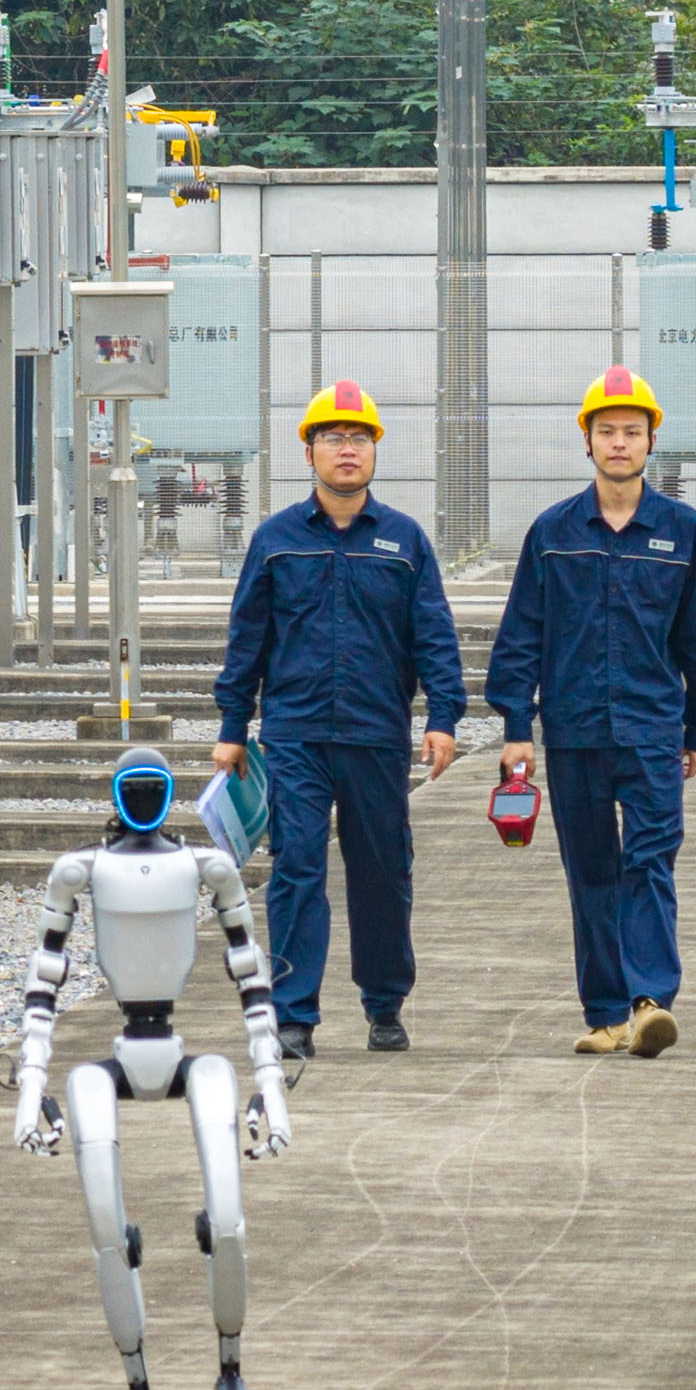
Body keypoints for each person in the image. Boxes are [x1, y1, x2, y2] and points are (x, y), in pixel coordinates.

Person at [9, 754, 292, 1390]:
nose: (143, 799)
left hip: (185, 1056)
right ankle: (137, 1380)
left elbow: (251, 978)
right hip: (112, 1058)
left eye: (151, 789)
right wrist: (29, 1089)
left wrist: (272, 1086)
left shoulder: (206, 868)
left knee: (227, 1217)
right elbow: (43, 983)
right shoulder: (82, 870)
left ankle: (231, 1362)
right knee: (108, 1226)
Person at [209, 382, 462, 1059]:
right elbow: (247, 639)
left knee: (382, 870)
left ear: (375, 450)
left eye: (359, 439)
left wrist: (443, 716)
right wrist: (233, 726)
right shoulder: (276, 540)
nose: (346, 450)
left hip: (377, 734)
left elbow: (433, 637)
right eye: (332, 438)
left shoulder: (405, 541)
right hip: (294, 734)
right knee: (296, 869)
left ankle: (385, 1005)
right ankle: (293, 1014)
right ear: (310, 451)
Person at [484, 366, 696, 1059]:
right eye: (607, 432)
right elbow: (521, 633)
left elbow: (695, 637)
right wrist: (514, 729)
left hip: (651, 728)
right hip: (575, 728)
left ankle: (651, 1001)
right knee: (590, 869)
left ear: (651, 442)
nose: (620, 444)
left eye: (632, 432)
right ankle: (607, 1013)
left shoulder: (681, 531)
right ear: (587, 441)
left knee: (649, 859)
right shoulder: (553, 531)